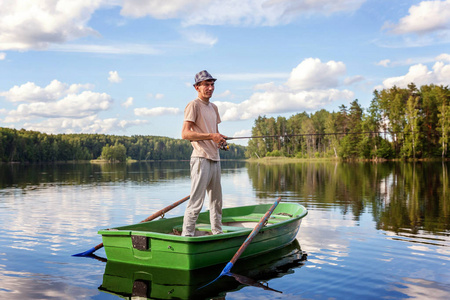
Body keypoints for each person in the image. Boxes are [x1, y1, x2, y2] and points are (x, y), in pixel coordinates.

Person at [181, 70, 227, 237]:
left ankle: (217, 233)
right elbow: (185, 134)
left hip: (215, 158)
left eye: (212, 84)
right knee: (196, 202)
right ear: (197, 87)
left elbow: (214, 132)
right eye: (206, 85)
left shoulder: (214, 108)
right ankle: (187, 236)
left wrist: (220, 139)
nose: (210, 87)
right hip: (200, 158)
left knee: (216, 202)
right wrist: (211, 136)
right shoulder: (193, 105)